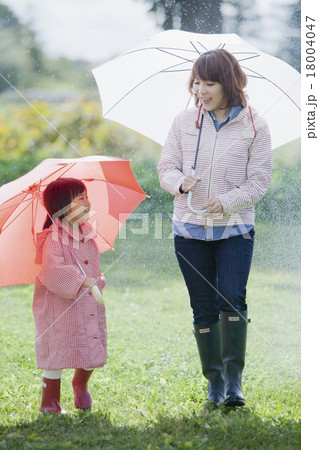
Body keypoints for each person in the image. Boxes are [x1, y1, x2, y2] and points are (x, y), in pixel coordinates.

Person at [157, 49, 272, 407]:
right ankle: (215, 384)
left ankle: (234, 382)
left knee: (232, 298)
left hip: (235, 229)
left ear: (229, 83)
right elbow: (165, 168)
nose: (200, 89)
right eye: (197, 81)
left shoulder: (255, 125)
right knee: (203, 307)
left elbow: (260, 181)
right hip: (189, 231)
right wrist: (181, 183)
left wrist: (225, 202)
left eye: (209, 83)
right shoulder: (183, 121)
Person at [33, 178, 107, 413]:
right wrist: (79, 279)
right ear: (63, 207)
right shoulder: (51, 238)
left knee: (89, 342)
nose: (87, 202)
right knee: (59, 347)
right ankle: (50, 400)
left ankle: (81, 384)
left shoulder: (87, 234)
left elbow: (92, 265)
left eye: (86, 196)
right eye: (80, 198)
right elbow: (52, 270)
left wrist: (97, 278)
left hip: (86, 300)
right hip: (60, 304)